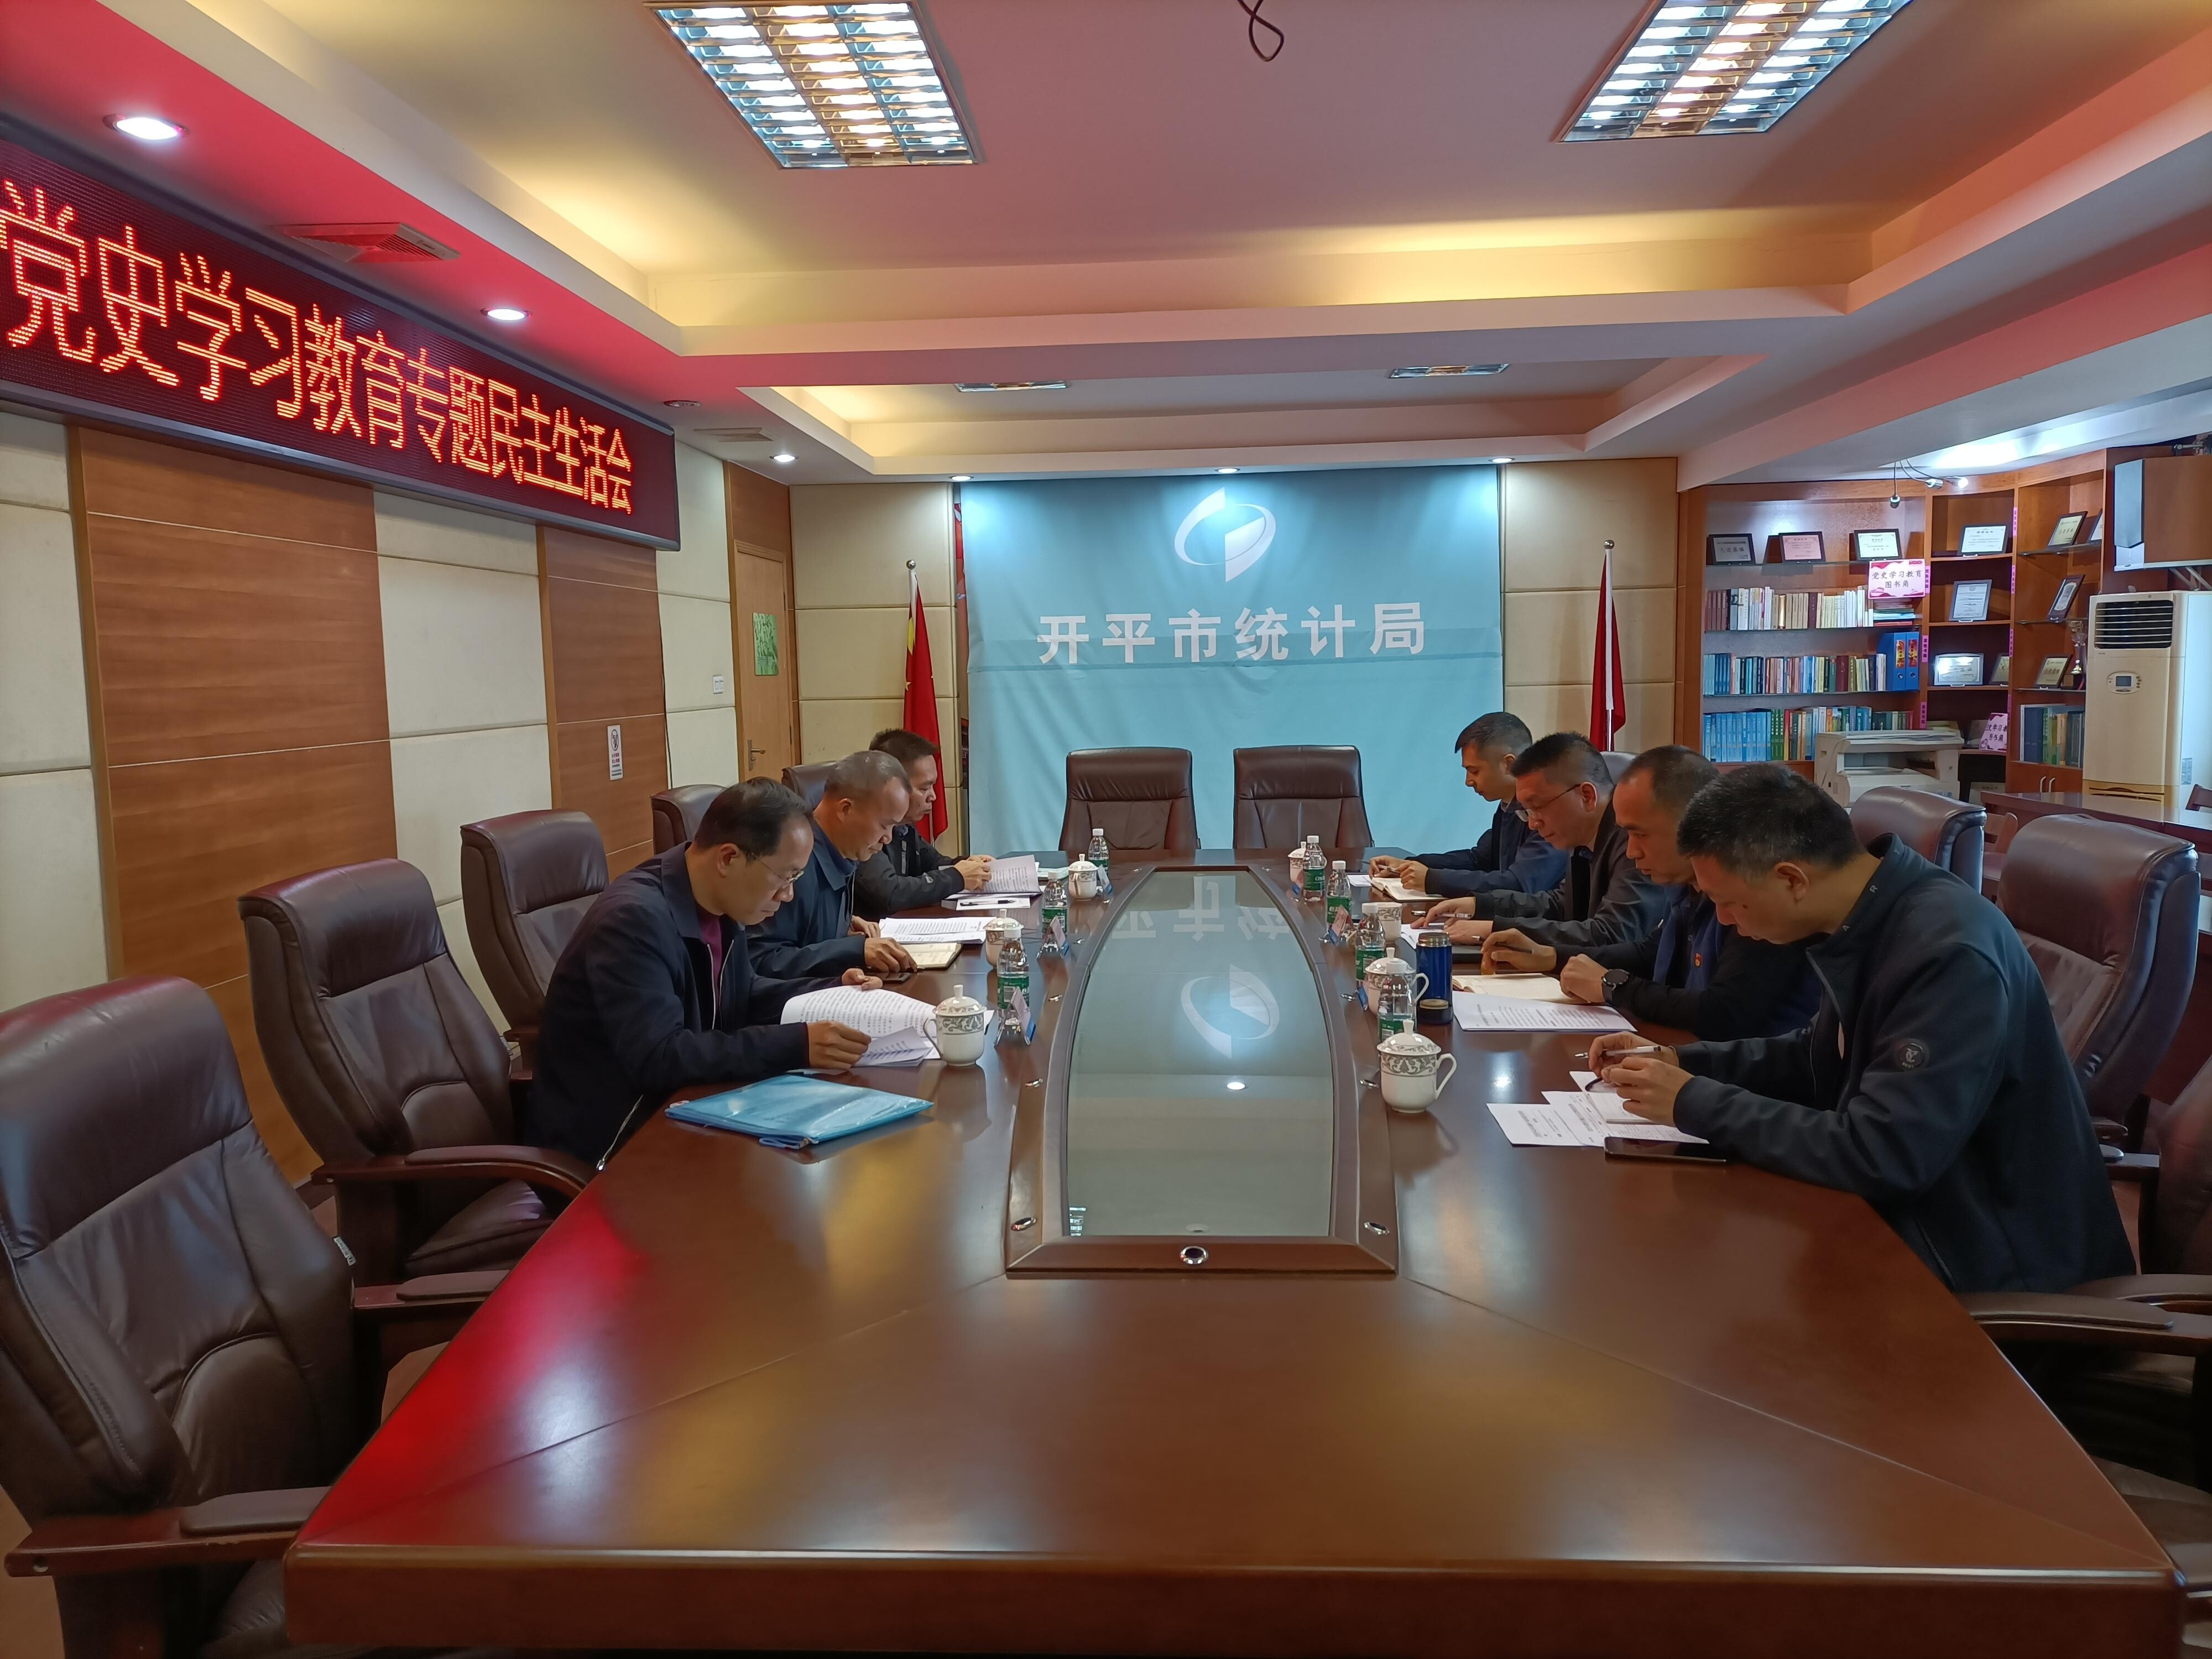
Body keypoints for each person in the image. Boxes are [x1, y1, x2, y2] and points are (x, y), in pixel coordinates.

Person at [1589, 764, 2131, 1296]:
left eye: (1729, 902)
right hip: (1916, 1225)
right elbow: (1817, 1054)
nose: (1725, 920)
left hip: (1991, 1276)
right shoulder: (1868, 915)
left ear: (1791, 879)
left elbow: (1884, 1154)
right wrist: (1682, 1062)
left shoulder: (1945, 955)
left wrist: (1694, 1102)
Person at [528, 780, 877, 1167]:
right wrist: (796, 1044)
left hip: (686, 1113)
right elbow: (661, 1057)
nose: (788, 895)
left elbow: (742, 994)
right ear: (728, 858)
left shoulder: (718, 902)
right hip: (615, 1147)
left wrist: (832, 989)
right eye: (785, 877)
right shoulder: (633, 921)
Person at [1483, 745, 1818, 1040]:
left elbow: (1725, 1012)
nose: (1631, 851)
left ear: (1693, 824)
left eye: (1640, 835)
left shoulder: (1753, 891)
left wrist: (1613, 986)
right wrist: (1553, 957)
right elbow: (1650, 952)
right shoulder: (1685, 886)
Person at [1420, 731, 1668, 953]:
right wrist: (1480, 904)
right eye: (1527, 812)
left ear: (1586, 796)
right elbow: (1560, 904)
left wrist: (1498, 928)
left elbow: (1612, 933)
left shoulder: (1634, 839)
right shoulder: (1581, 834)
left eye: (1537, 808)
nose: (1532, 823)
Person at [749, 750, 919, 978]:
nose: (888, 838)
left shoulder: (844, 854)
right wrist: (852, 951)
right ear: (846, 809)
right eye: (884, 825)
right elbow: (760, 962)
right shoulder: (795, 867)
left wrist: (843, 928)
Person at [1368, 711, 1567, 901]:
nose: (1468, 781)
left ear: (1509, 764)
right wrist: (1411, 865)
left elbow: (1520, 884)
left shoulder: (1547, 813)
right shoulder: (1508, 807)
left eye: (1475, 771)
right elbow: (1479, 860)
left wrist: (1433, 880)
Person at [854, 728, 994, 920]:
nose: (933, 797)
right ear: (894, 785)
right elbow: (889, 893)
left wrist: (968, 865)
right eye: (924, 788)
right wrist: (957, 877)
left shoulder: (904, 826)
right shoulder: (865, 828)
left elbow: (933, 864)